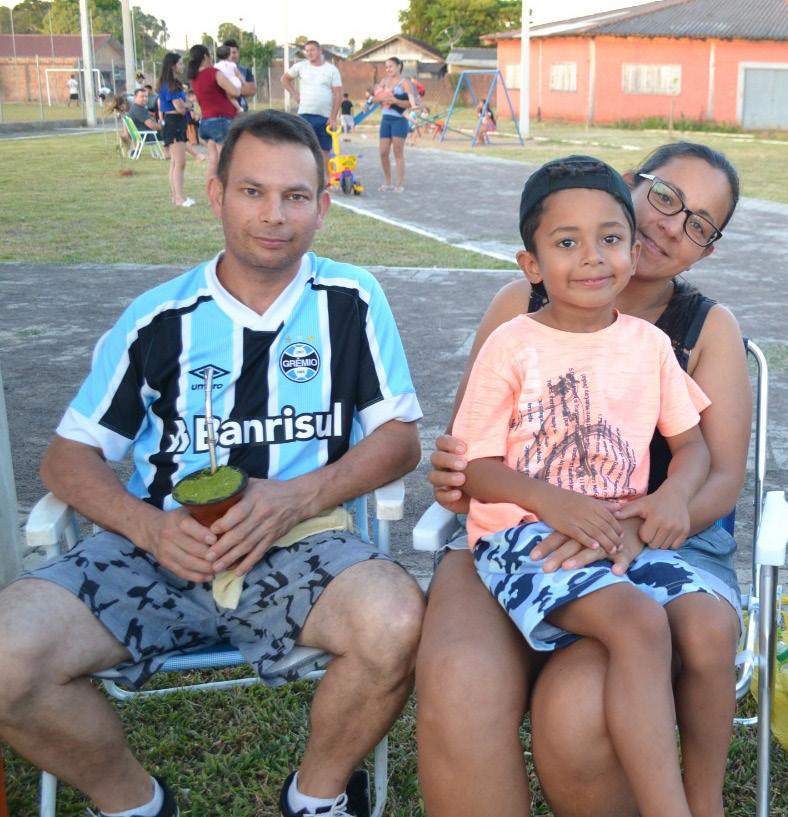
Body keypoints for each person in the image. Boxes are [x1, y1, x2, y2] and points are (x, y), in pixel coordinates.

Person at [0, 110, 426, 817]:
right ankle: (134, 804)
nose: (274, 215)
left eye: (295, 196)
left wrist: (295, 498)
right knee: (8, 655)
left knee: (397, 620)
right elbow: (68, 457)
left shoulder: (351, 301)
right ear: (217, 193)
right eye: (253, 191)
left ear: (323, 206)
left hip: (302, 543)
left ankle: (316, 797)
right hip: (155, 547)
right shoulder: (158, 317)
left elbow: (400, 439)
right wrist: (149, 528)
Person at [418, 142, 749, 817]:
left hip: (653, 535)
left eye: (697, 224)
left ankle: (698, 802)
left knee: (593, 697)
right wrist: (456, 477)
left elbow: (714, 472)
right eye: (664, 197)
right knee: (461, 678)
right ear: (631, 186)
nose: (669, 225)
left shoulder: (685, 335)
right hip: (522, 531)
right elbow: (469, 457)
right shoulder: (519, 318)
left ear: (706, 250)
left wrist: (630, 527)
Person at [187, 43, 241, 179]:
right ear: (206, 56)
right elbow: (235, 92)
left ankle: (211, 188)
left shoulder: (194, 78)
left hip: (206, 121)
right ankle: (224, 189)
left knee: (213, 160)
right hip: (221, 120)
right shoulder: (214, 73)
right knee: (225, 160)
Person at [283, 41, 343, 157]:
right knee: (304, 151)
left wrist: (333, 117)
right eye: (307, 51)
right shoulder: (301, 66)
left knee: (324, 150)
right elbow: (284, 79)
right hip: (305, 115)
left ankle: (324, 170)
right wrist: (294, 94)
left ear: (320, 50)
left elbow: (338, 94)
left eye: (312, 50)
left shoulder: (331, 70)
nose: (309, 53)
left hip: (325, 117)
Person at [157, 53, 196, 208]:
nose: (182, 66)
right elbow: (180, 107)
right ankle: (179, 199)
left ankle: (176, 197)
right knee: (180, 162)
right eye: (180, 63)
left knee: (175, 162)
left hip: (177, 122)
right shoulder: (170, 84)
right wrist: (189, 105)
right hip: (174, 123)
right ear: (173, 66)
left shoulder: (173, 83)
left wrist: (186, 104)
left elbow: (183, 103)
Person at [374, 57, 418, 192]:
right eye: (386, 67)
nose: (388, 69)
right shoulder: (384, 81)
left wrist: (395, 101)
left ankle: (399, 184)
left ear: (399, 66)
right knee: (383, 152)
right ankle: (387, 182)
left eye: (391, 66)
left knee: (398, 152)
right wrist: (381, 98)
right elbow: (376, 98)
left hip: (399, 120)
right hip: (386, 119)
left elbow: (409, 104)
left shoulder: (405, 82)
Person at [222, 39, 257, 111]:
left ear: (238, 53)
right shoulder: (217, 70)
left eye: (234, 52)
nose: (232, 55)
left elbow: (252, 90)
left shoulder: (245, 70)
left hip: (242, 110)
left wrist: (229, 89)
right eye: (228, 53)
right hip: (223, 110)